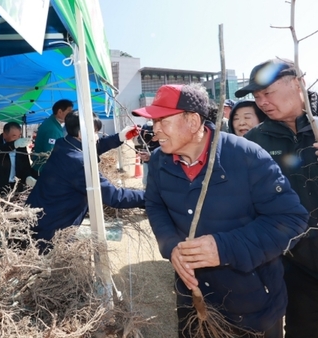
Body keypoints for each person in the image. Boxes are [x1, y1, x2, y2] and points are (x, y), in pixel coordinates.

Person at [132, 83, 308, 337]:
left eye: (162, 120)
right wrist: (171, 247)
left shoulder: (246, 155)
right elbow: (155, 204)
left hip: (252, 305)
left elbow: (291, 219)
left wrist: (224, 247)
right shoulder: (160, 160)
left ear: (192, 121)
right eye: (154, 121)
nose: (155, 129)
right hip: (194, 301)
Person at [235, 58, 318, 338]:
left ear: (297, 84)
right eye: (257, 97)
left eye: (267, 93)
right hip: (294, 258)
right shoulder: (256, 142)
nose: (261, 103)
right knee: (303, 326)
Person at [26, 111, 144, 250]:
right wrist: (150, 196)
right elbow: (114, 196)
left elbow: (92, 148)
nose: (97, 136)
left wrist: (120, 137)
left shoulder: (63, 144)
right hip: (54, 225)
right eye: (95, 132)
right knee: (48, 262)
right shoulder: (79, 163)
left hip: (43, 213)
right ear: (82, 134)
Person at [0, 122, 34, 195]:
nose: (17, 139)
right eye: (14, 136)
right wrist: (14, 145)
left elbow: (25, 164)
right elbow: (0, 149)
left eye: (19, 136)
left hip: (16, 185)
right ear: (5, 134)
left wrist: (28, 177)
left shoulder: (20, 146)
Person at [31, 99, 74, 177]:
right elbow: (50, 153)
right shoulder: (52, 129)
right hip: (45, 170)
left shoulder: (53, 124)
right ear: (60, 112)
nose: (71, 114)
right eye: (69, 111)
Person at [134, 120, 160, 188]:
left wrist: (160, 138)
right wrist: (143, 137)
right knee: (147, 177)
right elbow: (140, 141)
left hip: (161, 157)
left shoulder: (162, 126)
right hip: (147, 157)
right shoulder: (145, 126)